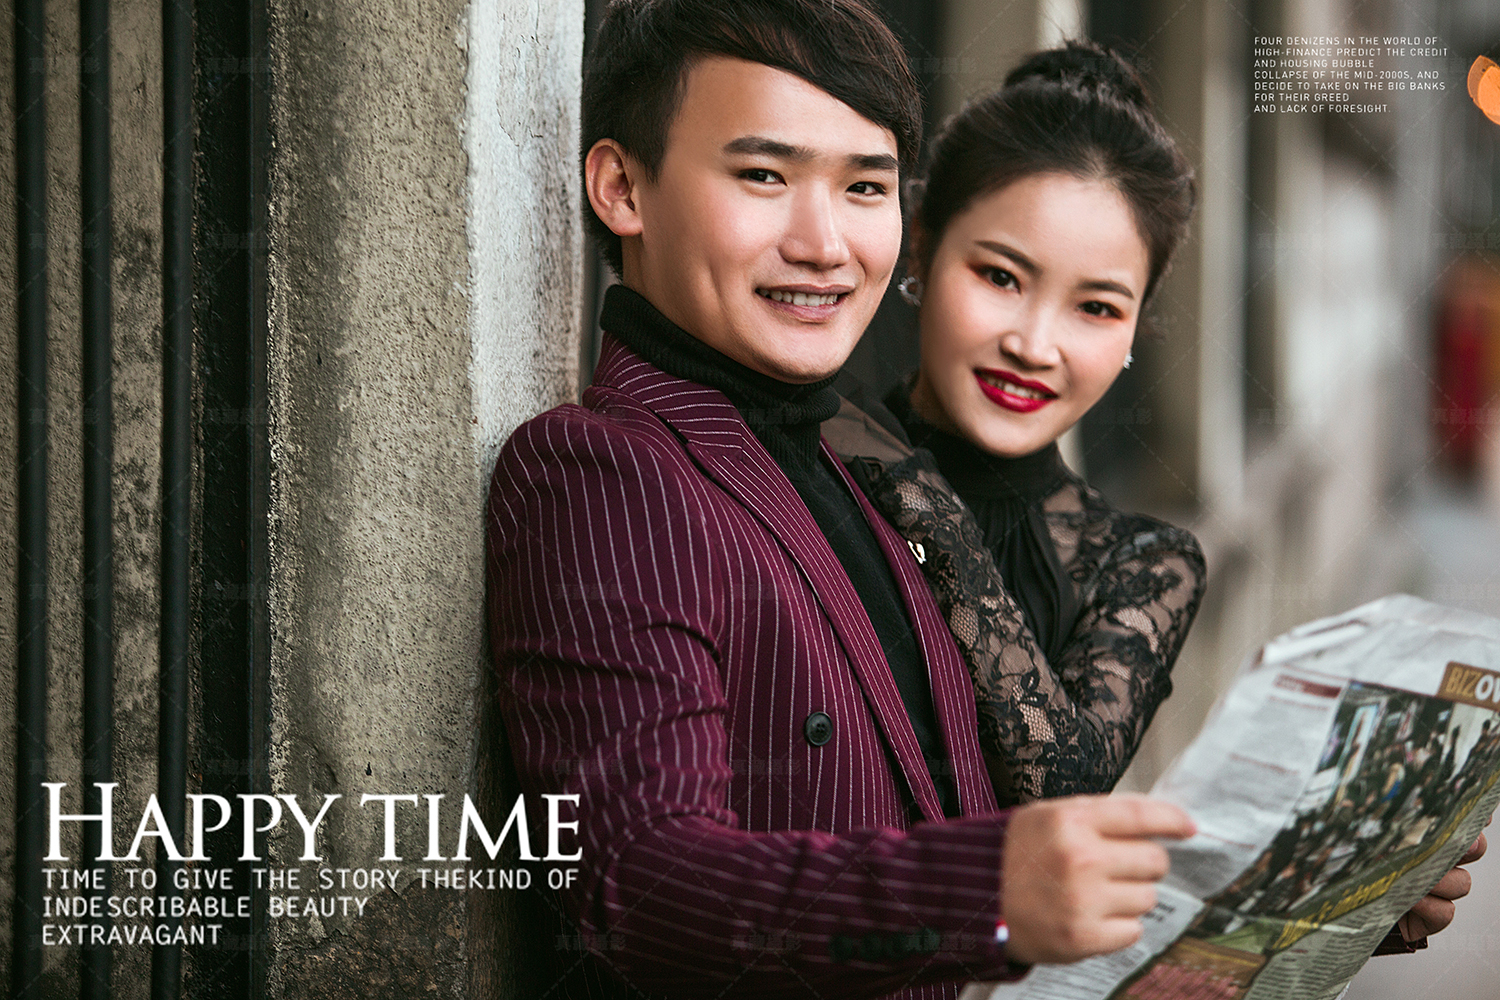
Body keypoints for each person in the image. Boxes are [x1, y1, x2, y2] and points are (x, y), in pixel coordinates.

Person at [485, 5, 1196, 998]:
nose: (824, 245)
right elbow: (642, 885)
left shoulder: (869, 474)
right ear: (621, 187)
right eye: (763, 175)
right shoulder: (607, 470)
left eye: (863, 187)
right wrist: (987, 890)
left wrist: (1310, 893)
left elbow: (989, 840)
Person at [822, 39, 1484, 957]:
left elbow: (1060, 792)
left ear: (1138, 324)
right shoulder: (808, 462)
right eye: (1001, 277)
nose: (1035, 344)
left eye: (1096, 307)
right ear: (923, 247)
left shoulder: (1142, 566)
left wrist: (1330, 897)